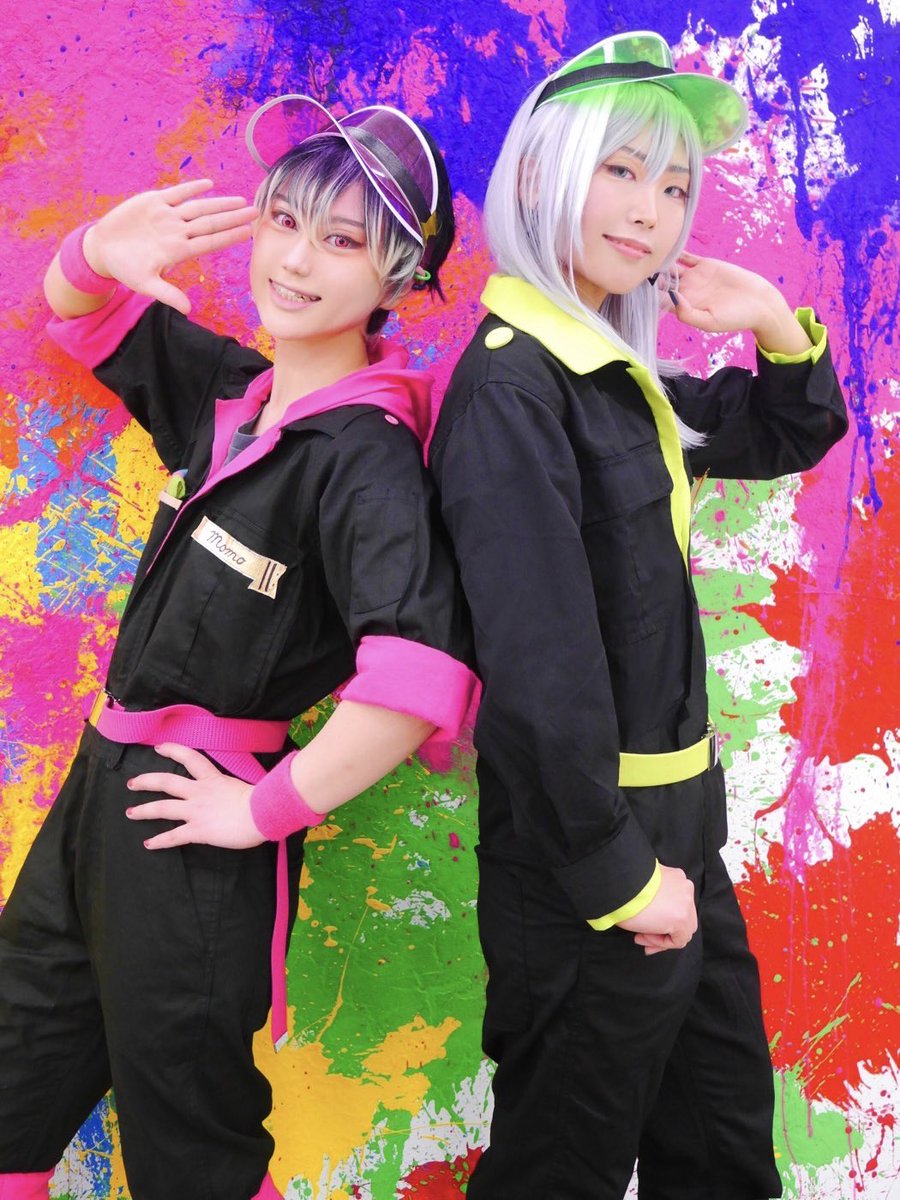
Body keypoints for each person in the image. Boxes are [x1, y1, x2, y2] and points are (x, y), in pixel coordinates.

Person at [0, 95, 477, 1200]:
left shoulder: (368, 459)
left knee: (192, 1148)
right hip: (96, 797)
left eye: (342, 240)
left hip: (195, 843)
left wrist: (260, 813)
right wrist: (98, 249)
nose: (295, 260)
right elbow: (80, 315)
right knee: (14, 1081)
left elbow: (415, 684)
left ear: (399, 279)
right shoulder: (234, 398)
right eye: (284, 220)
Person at [428, 31, 847, 1200]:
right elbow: (538, 672)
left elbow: (784, 431)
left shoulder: (615, 375)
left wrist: (770, 321)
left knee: (720, 1146)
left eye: (671, 187)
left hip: (680, 827)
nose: (649, 210)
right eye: (619, 170)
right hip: (591, 847)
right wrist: (618, 875)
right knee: (560, 1165)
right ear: (540, 173)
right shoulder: (513, 385)